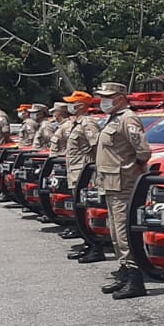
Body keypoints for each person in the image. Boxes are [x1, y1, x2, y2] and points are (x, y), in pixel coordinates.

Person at [91, 82, 150, 299]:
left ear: (121, 97)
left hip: (123, 183)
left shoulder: (128, 119)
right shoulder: (113, 119)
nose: (103, 100)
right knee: (116, 232)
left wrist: (130, 169)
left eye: (108, 96)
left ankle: (135, 279)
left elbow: (143, 151)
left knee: (124, 232)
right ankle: (124, 272)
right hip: (110, 183)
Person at [61, 92, 101, 259]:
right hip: (76, 172)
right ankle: (88, 244)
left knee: (85, 211)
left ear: (81, 105)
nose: (69, 107)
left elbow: (96, 146)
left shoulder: (87, 123)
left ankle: (95, 247)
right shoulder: (77, 123)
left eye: (73, 103)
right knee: (80, 211)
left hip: (83, 173)